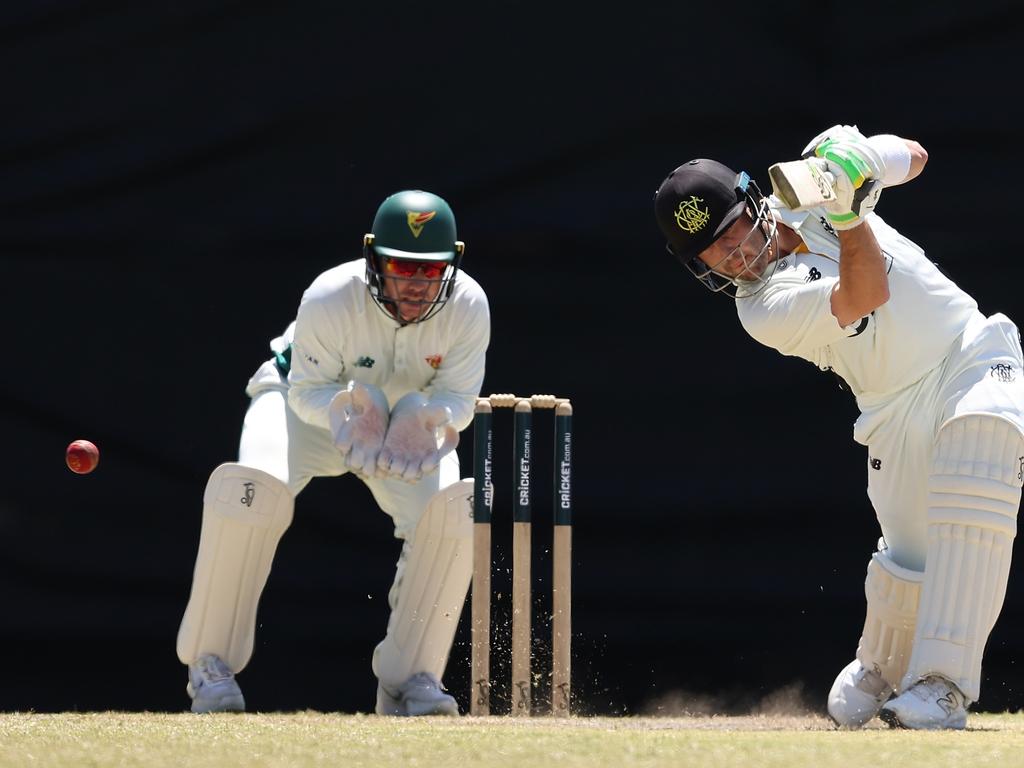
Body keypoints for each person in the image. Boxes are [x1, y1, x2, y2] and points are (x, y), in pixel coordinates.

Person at [654, 126, 1024, 730]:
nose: (733, 255)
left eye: (732, 231)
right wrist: (851, 217)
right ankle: (883, 667)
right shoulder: (761, 309)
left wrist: (856, 160)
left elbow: (917, 156)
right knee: (912, 553)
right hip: (890, 408)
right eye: (711, 254)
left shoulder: (806, 185)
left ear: (753, 204)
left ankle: (944, 687)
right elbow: (866, 291)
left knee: (980, 452)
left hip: (970, 354)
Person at [176, 189, 490, 716]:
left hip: (405, 430)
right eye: (400, 267)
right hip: (310, 407)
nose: (414, 286)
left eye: (429, 272)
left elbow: (459, 401)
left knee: (453, 513)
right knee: (251, 488)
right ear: (373, 259)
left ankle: (412, 677)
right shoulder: (330, 294)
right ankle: (211, 665)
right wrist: (346, 410)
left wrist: (424, 414)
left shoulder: (469, 306)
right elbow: (303, 389)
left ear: (452, 264)